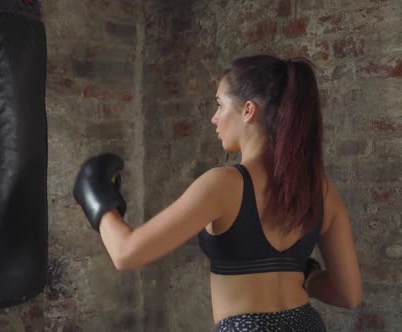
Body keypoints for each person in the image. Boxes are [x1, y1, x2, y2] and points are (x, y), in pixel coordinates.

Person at [72, 54, 363, 331]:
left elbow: (126, 253)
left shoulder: (224, 184)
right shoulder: (322, 190)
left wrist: (97, 196)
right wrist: (309, 278)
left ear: (248, 110)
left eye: (220, 105)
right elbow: (348, 294)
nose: (214, 118)